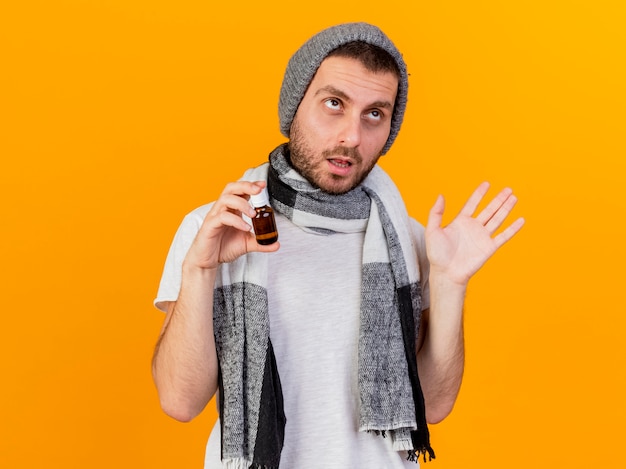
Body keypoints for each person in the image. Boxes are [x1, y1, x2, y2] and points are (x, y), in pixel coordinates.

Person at [152, 22, 524, 469]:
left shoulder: (408, 242)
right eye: (334, 104)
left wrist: (449, 283)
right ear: (293, 107)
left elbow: (432, 408)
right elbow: (179, 400)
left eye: (374, 114)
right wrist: (199, 269)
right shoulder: (219, 228)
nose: (351, 135)